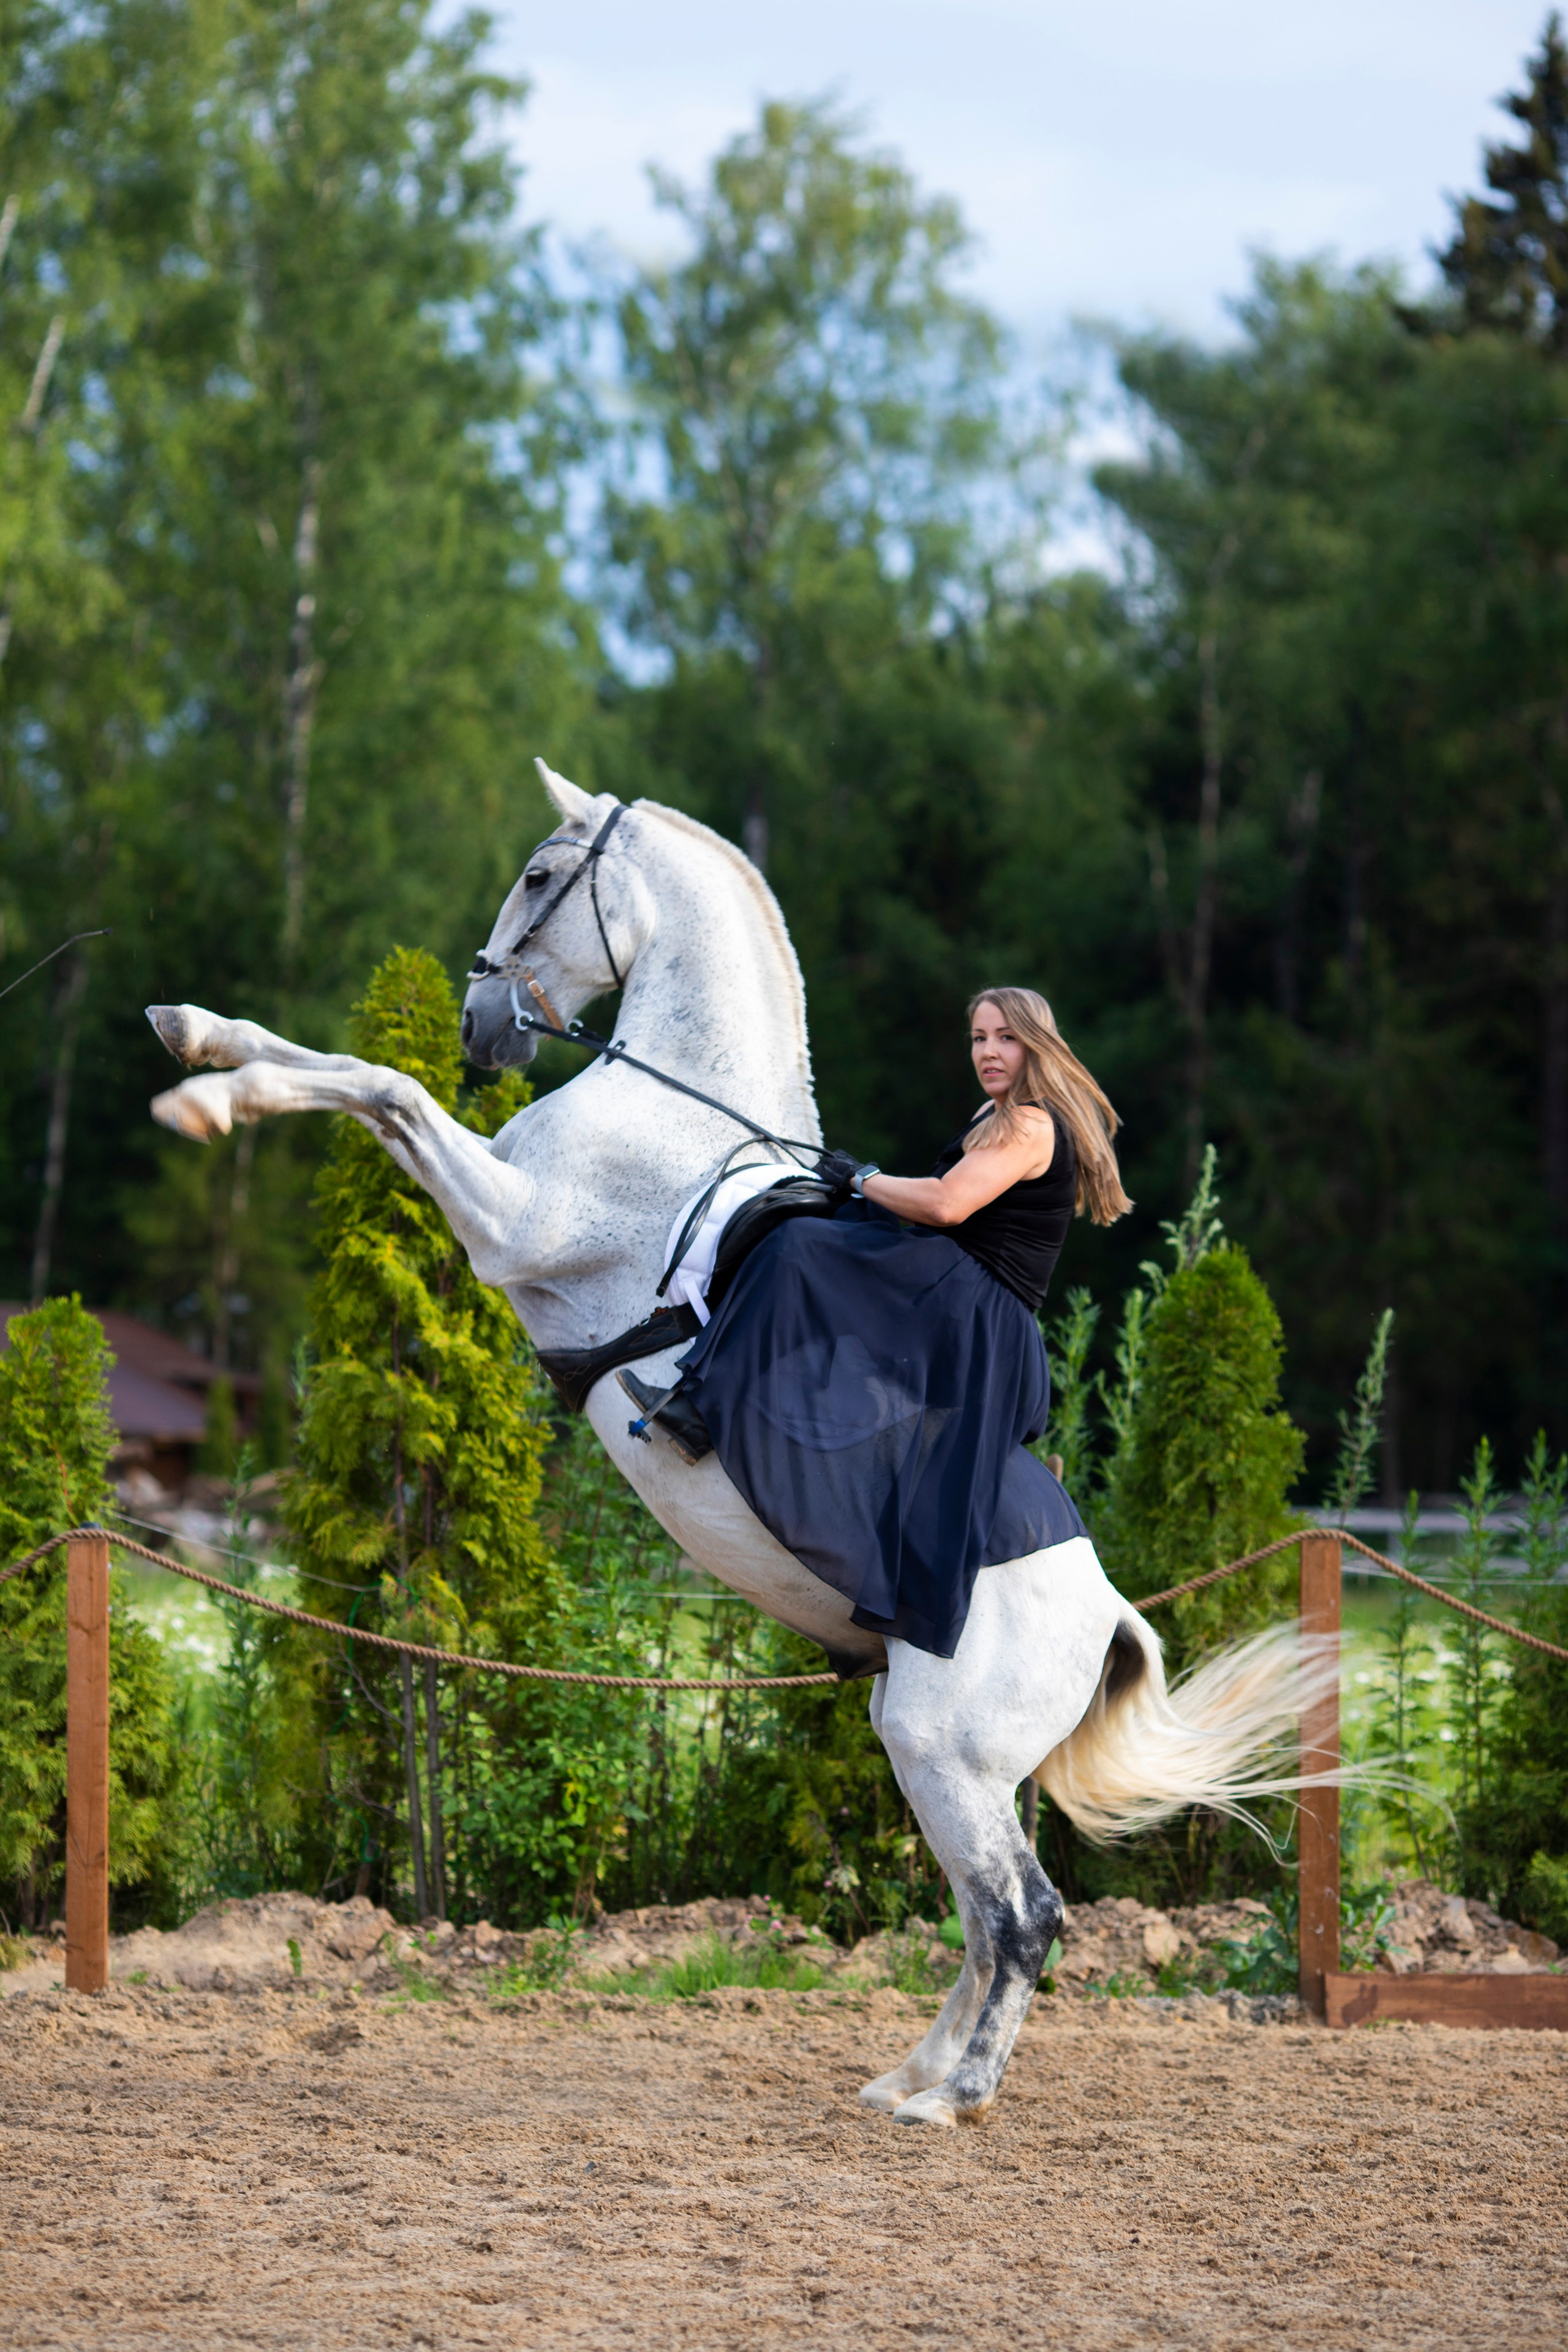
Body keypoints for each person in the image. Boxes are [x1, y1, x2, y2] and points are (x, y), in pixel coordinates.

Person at [623, 987, 1133, 1661]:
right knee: (823, 1228)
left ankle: (699, 1407)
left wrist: (862, 1178)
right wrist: (858, 1188)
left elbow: (947, 1205)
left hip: (972, 1314)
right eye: (978, 1038)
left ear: (1035, 1043)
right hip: (955, 1289)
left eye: (1005, 1038)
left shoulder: (1031, 1124)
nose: (988, 1052)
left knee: (800, 1249)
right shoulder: (999, 1113)